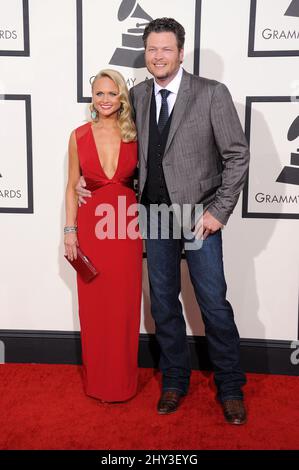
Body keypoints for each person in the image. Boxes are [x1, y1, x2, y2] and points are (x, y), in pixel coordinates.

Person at [76, 18, 250, 424]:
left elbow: (237, 156)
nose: (158, 56)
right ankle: (174, 379)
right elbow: (114, 145)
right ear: (146, 54)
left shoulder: (211, 94)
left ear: (180, 53)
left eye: (166, 49)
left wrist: (219, 211)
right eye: (152, 50)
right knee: (164, 305)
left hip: (198, 216)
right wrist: (88, 181)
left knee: (213, 304)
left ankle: (229, 386)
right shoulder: (135, 96)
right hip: (152, 217)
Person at [64, 69, 142, 402]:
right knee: (95, 307)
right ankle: (98, 382)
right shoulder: (79, 135)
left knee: (124, 306)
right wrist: (69, 232)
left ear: (121, 96)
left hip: (125, 227)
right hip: (92, 227)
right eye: (99, 93)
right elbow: (71, 186)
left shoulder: (135, 134)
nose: (105, 100)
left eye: (112, 93)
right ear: (92, 98)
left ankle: (124, 382)